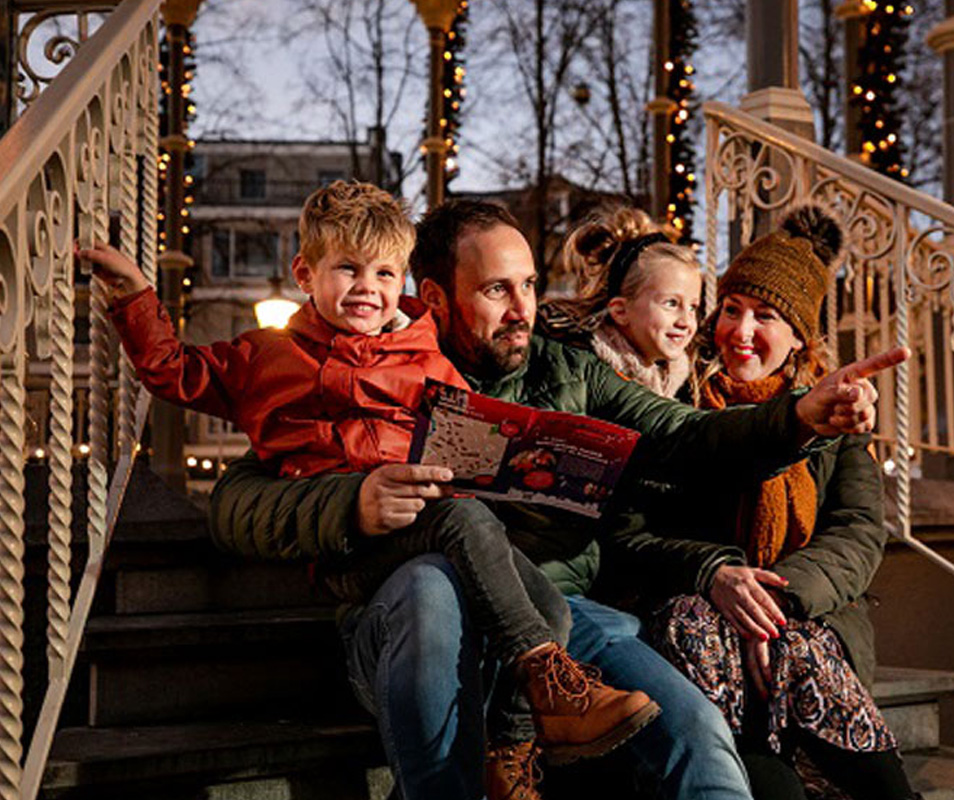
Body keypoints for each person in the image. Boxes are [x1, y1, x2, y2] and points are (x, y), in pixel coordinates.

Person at [206, 199, 907, 800]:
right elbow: (239, 501)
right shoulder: (375, 366)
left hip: (562, 617)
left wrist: (798, 419)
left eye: (530, 286)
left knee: (697, 732)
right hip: (418, 617)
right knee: (428, 585)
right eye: (496, 292)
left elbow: (683, 434)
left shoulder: (564, 370)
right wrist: (351, 503)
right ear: (436, 298)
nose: (522, 312)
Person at [80, 181, 660, 777]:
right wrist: (134, 296)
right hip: (351, 549)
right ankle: (547, 680)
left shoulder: (425, 357)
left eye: (386, 274)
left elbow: (468, 447)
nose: (368, 288)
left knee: (548, 604)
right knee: (465, 525)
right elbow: (176, 372)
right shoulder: (268, 357)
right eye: (348, 269)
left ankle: (510, 753)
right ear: (305, 274)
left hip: (430, 526)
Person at [603, 205, 917, 800]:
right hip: (697, 622)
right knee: (702, 635)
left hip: (803, 619)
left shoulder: (836, 413)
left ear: (799, 335)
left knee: (803, 653)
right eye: (730, 310)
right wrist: (719, 577)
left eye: (766, 316)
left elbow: (854, 535)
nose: (741, 332)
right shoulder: (675, 398)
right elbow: (633, 531)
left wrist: (774, 603)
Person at [542, 206, 700, 399]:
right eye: (671, 303)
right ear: (620, 311)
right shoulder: (583, 375)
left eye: (693, 307)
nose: (685, 322)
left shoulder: (685, 384)